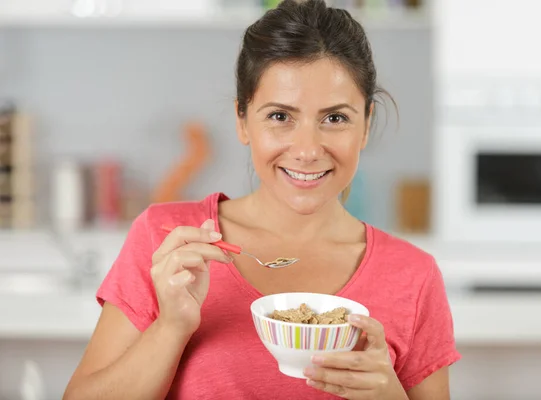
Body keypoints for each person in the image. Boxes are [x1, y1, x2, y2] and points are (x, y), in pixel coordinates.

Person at [63, 0, 460, 399]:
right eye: (280, 116)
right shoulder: (169, 241)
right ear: (242, 120)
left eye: (335, 118)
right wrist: (172, 327)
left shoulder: (414, 275)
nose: (307, 150)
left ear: (366, 125)